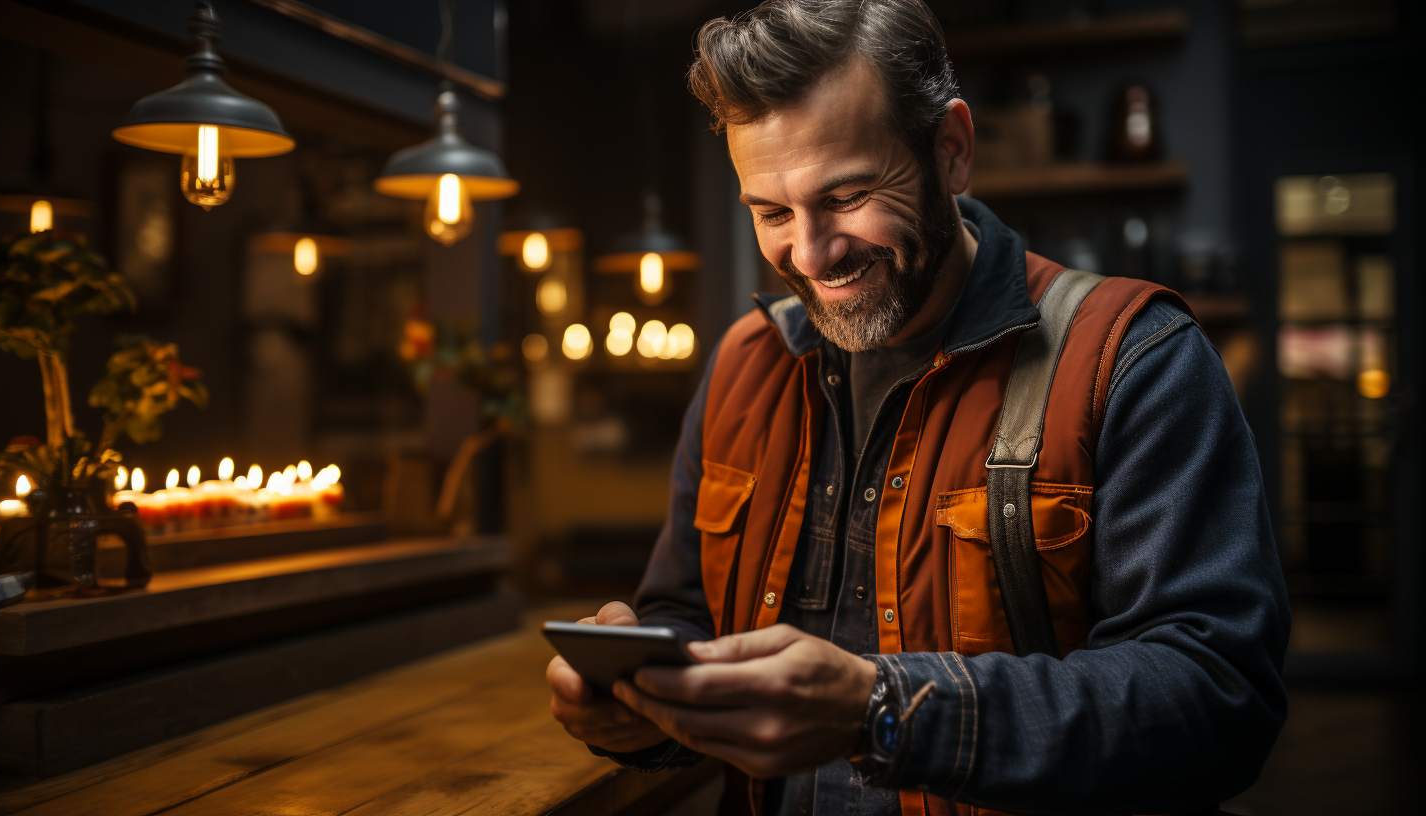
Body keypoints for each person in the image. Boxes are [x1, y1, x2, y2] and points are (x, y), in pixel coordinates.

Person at [546, 1, 1290, 814]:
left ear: (951, 150)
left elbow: (1218, 699)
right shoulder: (742, 367)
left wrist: (882, 710)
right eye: (770, 213)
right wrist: (638, 703)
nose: (810, 252)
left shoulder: (1132, 359)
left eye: (850, 194)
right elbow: (684, 614)